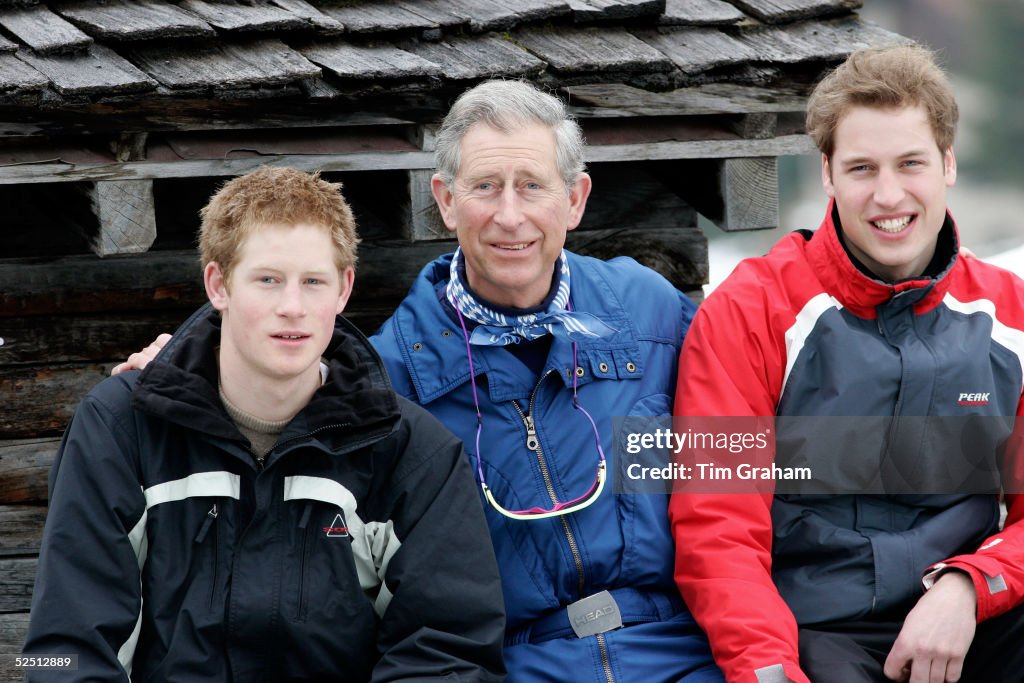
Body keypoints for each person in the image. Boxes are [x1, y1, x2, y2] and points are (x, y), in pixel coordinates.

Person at [113, 80, 724, 682]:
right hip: (511, 664)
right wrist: (188, 364)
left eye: (532, 186)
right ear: (446, 199)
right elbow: (266, 410)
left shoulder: (650, 313)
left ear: (575, 198)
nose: (509, 216)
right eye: (485, 187)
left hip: (680, 651)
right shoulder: (387, 380)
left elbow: (756, 450)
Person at [23, 167, 506, 682]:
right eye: (268, 280)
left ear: (343, 290)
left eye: (313, 282)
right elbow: (61, 650)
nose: (292, 308)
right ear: (219, 284)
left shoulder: (411, 453)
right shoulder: (119, 428)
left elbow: (449, 651)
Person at [670, 45, 1024, 683]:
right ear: (828, 174)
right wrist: (769, 670)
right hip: (815, 630)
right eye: (862, 168)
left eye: (910, 163)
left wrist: (969, 585)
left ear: (947, 163)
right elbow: (717, 525)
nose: (889, 195)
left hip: (971, 611)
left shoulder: (1011, 313)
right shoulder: (749, 311)